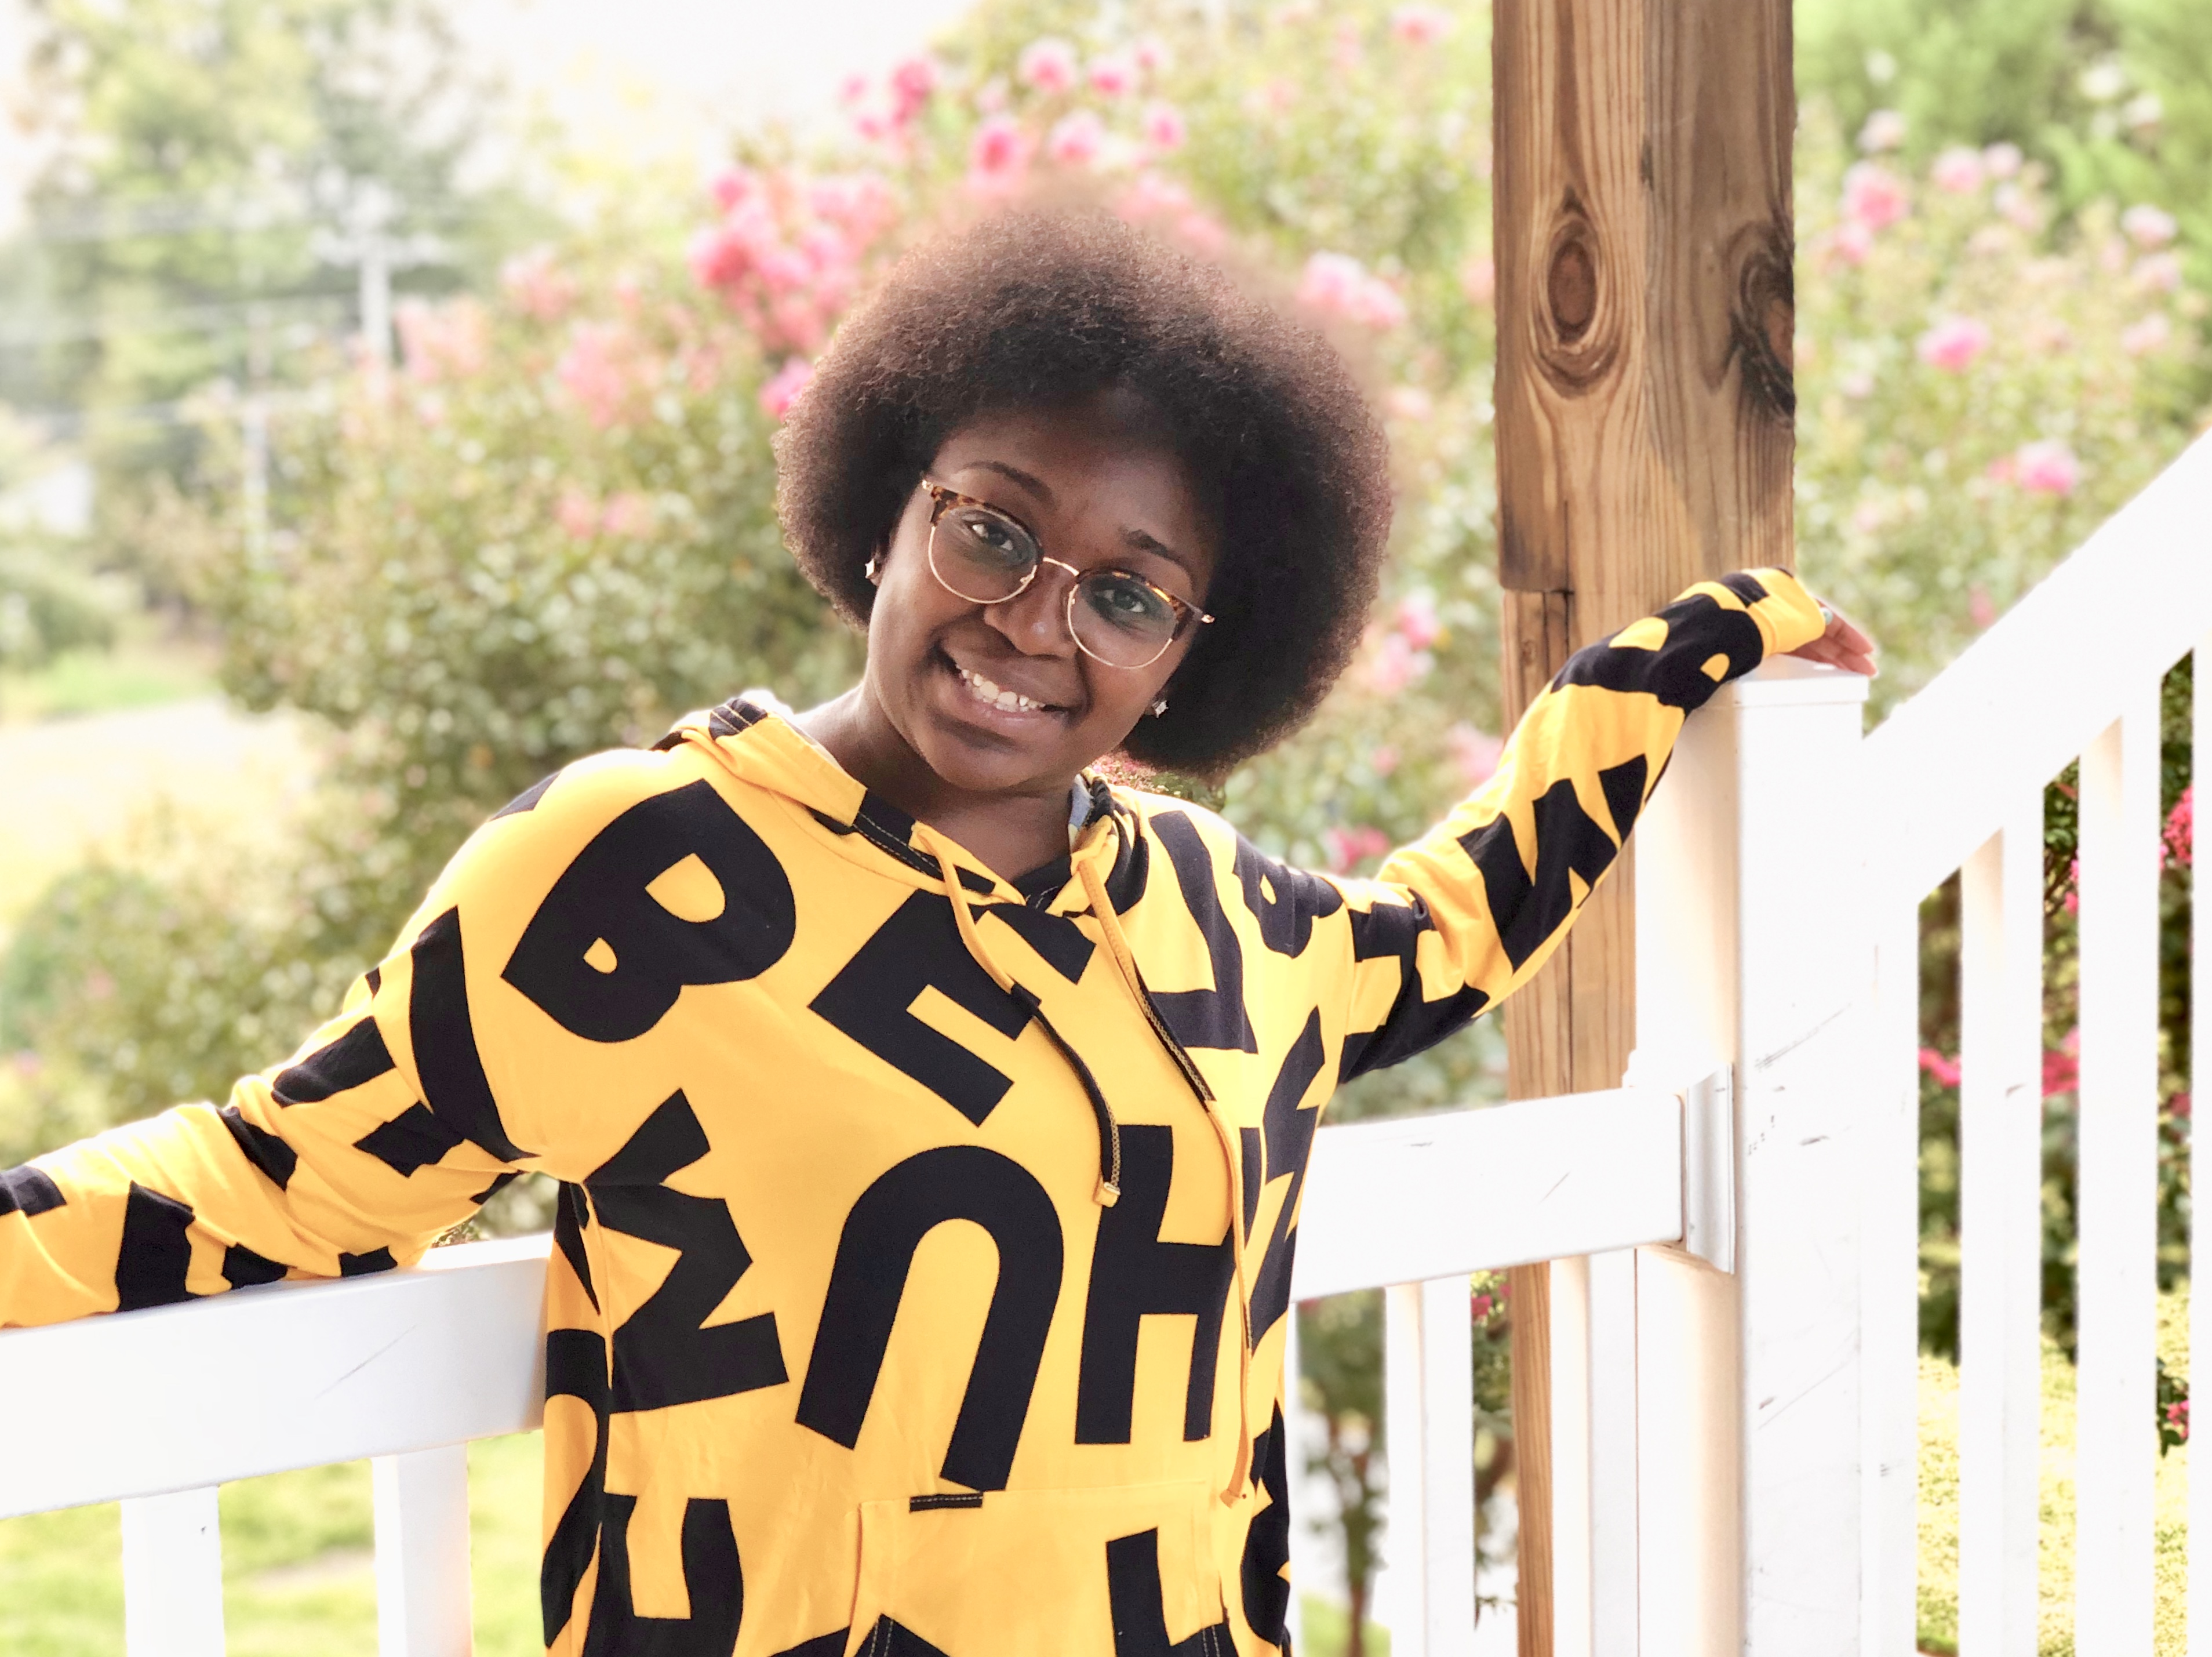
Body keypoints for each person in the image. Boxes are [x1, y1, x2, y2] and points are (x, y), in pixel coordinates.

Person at [0, 209, 1873, 1655]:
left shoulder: (1218, 915)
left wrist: (1678, 656)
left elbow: (1447, 929)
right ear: (889, 503)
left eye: (1130, 594)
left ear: (1199, 649)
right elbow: (284, 1175)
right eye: (992, 529)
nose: (1035, 622)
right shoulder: (643, 874)